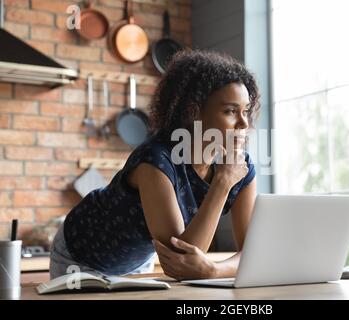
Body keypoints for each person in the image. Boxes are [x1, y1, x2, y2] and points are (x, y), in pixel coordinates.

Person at [49, 49, 260, 280]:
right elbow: (180, 259)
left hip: (138, 261)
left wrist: (213, 269)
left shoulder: (239, 166)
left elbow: (254, 255)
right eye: (230, 111)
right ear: (194, 111)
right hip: (81, 256)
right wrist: (222, 182)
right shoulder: (156, 160)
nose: (244, 123)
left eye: (246, 111)